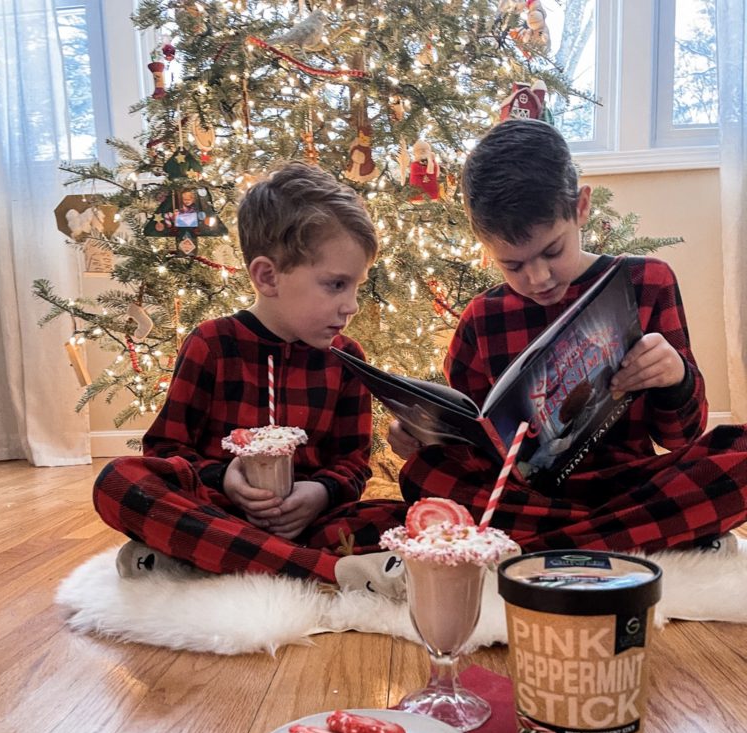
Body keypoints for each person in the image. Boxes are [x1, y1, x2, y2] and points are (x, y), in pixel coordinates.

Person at [392, 119, 747, 554]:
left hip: (628, 483)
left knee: (740, 455)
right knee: (422, 474)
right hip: (529, 499)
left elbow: (681, 438)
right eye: (513, 266)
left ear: (580, 208)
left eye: (552, 251)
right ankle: (641, 537)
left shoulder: (646, 281)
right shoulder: (481, 318)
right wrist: (420, 436)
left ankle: (539, 546)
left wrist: (676, 378)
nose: (538, 278)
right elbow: (469, 444)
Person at [94, 162, 407, 596]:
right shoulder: (212, 345)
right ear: (267, 276)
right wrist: (225, 480)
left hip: (310, 523)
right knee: (119, 482)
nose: (351, 305)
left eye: (356, 286)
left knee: (410, 515)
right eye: (336, 285)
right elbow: (165, 450)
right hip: (221, 511)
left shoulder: (346, 358)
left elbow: (353, 465)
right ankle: (317, 573)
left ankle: (204, 560)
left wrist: (318, 493)